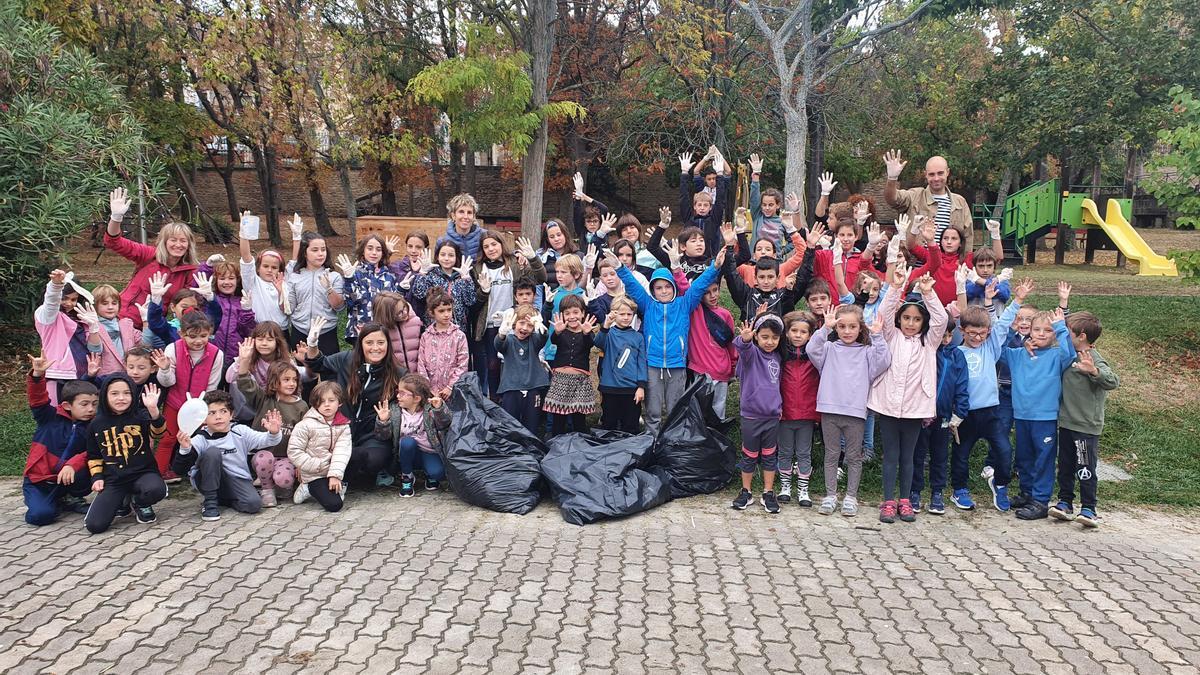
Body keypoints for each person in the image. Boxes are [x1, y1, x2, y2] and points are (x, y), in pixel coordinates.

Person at [609, 246, 723, 434]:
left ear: (673, 287)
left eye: (667, 286)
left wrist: (715, 267)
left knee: (674, 409)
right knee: (653, 411)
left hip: (676, 365)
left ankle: (673, 442)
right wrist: (620, 268)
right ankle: (651, 442)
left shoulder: (684, 304)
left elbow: (699, 286)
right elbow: (633, 286)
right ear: (653, 290)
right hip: (652, 365)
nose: (663, 291)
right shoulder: (648, 305)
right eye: (658, 287)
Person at [866, 263, 948, 524]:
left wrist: (928, 293)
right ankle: (888, 501)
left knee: (909, 457)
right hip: (888, 406)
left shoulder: (929, 342)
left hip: (915, 408)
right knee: (890, 456)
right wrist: (897, 286)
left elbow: (942, 319)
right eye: (906, 318)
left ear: (923, 322)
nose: (911, 323)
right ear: (899, 319)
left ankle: (905, 500)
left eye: (916, 319)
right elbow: (884, 310)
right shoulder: (891, 336)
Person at [950, 277, 1030, 511]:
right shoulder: (956, 352)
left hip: (991, 412)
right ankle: (959, 490)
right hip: (965, 415)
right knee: (961, 454)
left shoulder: (991, 347)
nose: (977, 338)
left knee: (1004, 450)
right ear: (962, 331)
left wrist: (1018, 300)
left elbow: (1003, 324)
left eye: (982, 333)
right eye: (972, 333)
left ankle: (1000, 483)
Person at [806, 304, 891, 517]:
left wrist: (878, 336)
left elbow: (884, 361)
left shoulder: (867, 352)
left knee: (854, 456)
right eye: (842, 326)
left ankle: (851, 497)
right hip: (829, 410)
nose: (847, 331)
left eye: (852, 326)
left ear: (860, 327)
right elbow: (811, 349)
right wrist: (824, 329)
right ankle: (830, 495)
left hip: (855, 412)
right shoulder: (828, 348)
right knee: (832, 455)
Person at [302, 318, 402, 486]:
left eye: (380, 342)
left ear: (388, 345)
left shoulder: (397, 371)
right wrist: (312, 344)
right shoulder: (346, 359)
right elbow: (318, 364)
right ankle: (344, 472)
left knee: (373, 460)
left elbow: (413, 392)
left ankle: (347, 471)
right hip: (343, 430)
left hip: (374, 435)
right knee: (347, 455)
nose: (375, 348)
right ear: (361, 344)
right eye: (369, 342)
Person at [1003, 306, 1077, 520]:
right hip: (1022, 415)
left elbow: (1069, 352)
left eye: (1047, 330)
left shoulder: (1057, 356)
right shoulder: (1018, 354)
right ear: (1029, 331)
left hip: (1045, 418)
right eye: (1037, 329)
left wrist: (1061, 327)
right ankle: (1027, 493)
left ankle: (1041, 501)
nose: (1042, 334)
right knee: (1024, 457)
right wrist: (1011, 331)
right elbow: (996, 350)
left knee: (1043, 459)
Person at [1051, 311, 1119, 527]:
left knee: (1085, 468)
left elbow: (1113, 381)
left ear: (1081, 336)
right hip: (1066, 423)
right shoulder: (1069, 354)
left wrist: (1094, 371)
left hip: (1085, 427)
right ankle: (1065, 503)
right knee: (1065, 466)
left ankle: (1089, 508)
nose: (1064, 335)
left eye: (1068, 332)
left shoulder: (1093, 357)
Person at [177, 391, 283, 521]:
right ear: (204, 418)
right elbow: (180, 470)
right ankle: (210, 502)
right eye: (212, 413)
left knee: (253, 504)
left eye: (223, 411)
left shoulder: (240, 431)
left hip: (237, 480)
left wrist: (273, 433)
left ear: (231, 414)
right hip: (207, 481)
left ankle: (224, 500)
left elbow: (266, 440)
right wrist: (184, 449)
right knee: (212, 452)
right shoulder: (200, 438)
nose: (218, 417)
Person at [104, 187, 198, 327]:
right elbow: (114, 242)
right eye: (173, 240)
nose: (178, 245)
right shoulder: (149, 255)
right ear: (164, 242)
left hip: (150, 327)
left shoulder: (190, 271)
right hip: (120, 319)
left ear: (189, 245)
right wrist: (116, 218)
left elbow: (190, 303)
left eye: (183, 241)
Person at [22, 354, 98, 526]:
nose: (91, 409)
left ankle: (71, 496)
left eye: (94, 404)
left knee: (95, 462)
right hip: (40, 481)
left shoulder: (93, 426)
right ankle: (55, 502)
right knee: (41, 516)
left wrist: (72, 464)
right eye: (84, 404)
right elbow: (37, 398)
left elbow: (92, 452)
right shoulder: (49, 417)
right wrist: (37, 375)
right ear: (67, 406)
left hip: (68, 478)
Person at [84, 378, 167, 532]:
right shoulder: (95, 424)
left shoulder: (141, 416)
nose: (121, 398)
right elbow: (93, 455)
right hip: (114, 478)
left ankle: (139, 501)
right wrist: (97, 477)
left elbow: (159, 433)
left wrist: (154, 410)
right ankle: (122, 499)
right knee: (95, 526)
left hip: (143, 473)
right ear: (105, 396)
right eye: (114, 393)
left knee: (157, 489)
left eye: (126, 393)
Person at [473, 233, 546, 397]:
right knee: (492, 365)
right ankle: (495, 400)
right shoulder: (478, 268)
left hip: (515, 323)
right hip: (492, 324)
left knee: (515, 363)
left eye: (494, 244)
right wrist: (483, 292)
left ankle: (516, 400)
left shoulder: (515, 263)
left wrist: (533, 258)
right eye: (486, 246)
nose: (491, 249)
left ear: (501, 244)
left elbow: (540, 278)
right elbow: (474, 304)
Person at [156, 311, 223, 483]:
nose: (198, 341)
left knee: (198, 439)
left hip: (200, 405)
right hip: (175, 401)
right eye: (192, 336)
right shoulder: (173, 349)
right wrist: (164, 369)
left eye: (203, 336)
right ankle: (158, 474)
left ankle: (198, 473)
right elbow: (167, 382)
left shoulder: (216, 354)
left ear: (210, 333)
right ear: (181, 334)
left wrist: (203, 406)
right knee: (168, 438)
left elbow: (212, 385)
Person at [237, 346, 309, 508]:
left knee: (284, 481)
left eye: (294, 380)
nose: (291, 383)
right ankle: (266, 489)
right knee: (264, 459)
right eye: (286, 379)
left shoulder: (302, 406)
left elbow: (305, 436)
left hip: (287, 457)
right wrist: (244, 361)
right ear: (274, 382)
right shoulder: (264, 399)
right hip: (264, 455)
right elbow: (245, 384)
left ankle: (282, 487)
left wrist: (300, 463)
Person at [911, 317, 969, 515]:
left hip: (944, 415)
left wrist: (959, 413)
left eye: (949, 335)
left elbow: (962, 384)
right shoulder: (926, 352)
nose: (945, 339)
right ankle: (915, 492)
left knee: (940, 455)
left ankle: (937, 492)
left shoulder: (956, 355)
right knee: (917, 455)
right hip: (921, 413)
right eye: (942, 335)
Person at [730, 314, 785, 514]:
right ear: (756, 337)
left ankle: (768, 492)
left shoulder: (778, 357)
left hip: (772, 417)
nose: (770, 342)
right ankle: (746, 491)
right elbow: (742, 347)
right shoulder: (751, 355)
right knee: (749, 455)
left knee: (770, 456)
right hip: (751, 416)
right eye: (764, 337)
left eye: (774, 337)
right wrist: (745, 339)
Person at [375, 373, 451, 498]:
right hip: (406, 453)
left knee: (438, 473)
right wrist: (383, 421)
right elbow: (383, 437)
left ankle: (428, 473)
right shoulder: (395, 411)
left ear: (417, 398)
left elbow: (446, 423)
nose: (398, 396)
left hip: (428, 452)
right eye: (398, 392)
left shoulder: (429, 409)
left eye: (403, 393)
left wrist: (440, 409)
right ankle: (407, 477)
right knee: (407, 442)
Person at [882, 150, 973, 251]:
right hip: (916, 263)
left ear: (948, 172)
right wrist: (892, 178)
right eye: (931, 174)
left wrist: (964, 262)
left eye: (940, 173)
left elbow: (968, 237)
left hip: (948, 264)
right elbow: (892, 199)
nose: (936, 178)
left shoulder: (960, 202)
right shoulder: (914, 196)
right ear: (925, 175)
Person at [721, 224, 813, 322]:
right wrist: (730, 246)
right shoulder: (746, 295)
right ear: (755, 278)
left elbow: (803, 278)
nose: (766, 281)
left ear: (777, 278)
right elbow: (731, 273)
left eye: (770, 277)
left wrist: (810, 248)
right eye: (761, 277)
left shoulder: (785, 295)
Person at [289, 382, 353, 512]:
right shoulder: (305, 425)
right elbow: (294, 452)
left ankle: (341, 484)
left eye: (331, 400)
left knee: (359, 455)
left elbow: (342, 451)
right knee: (334, 505)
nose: (327, 404)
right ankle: (307, 487)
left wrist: (335, 475)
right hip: (314, 472)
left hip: (334, 470)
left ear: (339, 403)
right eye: (322, 401)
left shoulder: (344, 425)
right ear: (315, 403)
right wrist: (317, 465)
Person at [778, 312, 821, 506]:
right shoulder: (780, 355)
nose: (798, 335)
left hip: (806, 413)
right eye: (793, 330)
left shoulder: (814, 357)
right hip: (784, 413)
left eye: (803, 332)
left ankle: (803, 490)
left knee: (804, 453)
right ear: (786, 333)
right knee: (785, 452)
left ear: (811, 335)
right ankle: (785, 487)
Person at [34, 270, 93, 405]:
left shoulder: (81, 317)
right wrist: (55, 285)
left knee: (82, 418)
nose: (69, 303)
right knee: (56, 417)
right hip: (57, 375)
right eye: (64, 298)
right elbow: (51, 303)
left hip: (82, 374)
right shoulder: (47, 317)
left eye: (73, 299)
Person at [543, 296, 599, 435]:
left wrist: (586, 333)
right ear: (562, 315)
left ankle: (580, 445)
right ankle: (557, 445)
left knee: (578, 417)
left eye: (575, 312)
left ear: (582, 313)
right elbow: (554, 340)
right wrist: (557, 331)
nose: (572, 316)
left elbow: (590, 344)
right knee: (558, 417)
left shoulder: (587, 332)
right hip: (560, 379)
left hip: (580, 381)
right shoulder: (560, 331)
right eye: (567, 313)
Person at [287, 230, 345, 355]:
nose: (320, 254)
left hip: (326, 332)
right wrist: (281, 292)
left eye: (323, 250)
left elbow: (339, 307)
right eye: (315, 250)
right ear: (304, 253)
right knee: (301, 372)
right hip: (300, 330)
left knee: (328, 371)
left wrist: (329, 289)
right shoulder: (295, 277)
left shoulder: (334, 276)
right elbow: (289, 309)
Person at [494, 305, 550, 435]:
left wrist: (542, 329)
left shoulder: (534, 340)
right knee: (510, 424)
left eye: (530, 325)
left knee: (532, 424)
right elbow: (498, 345)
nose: (525, 328)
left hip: (533, 387)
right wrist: (501, 334)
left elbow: (542, 338)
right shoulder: (509, 340)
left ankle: (531, 450)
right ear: (514, 324)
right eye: (521, 323)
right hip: (511, 388)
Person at [594, 296, 646, 434]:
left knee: (630, 425)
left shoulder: (638, 337)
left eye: (629, 314)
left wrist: (641, 387)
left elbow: (641, 363)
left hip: (631, 389)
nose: (626, 317)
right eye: (622, 314)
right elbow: (598, 343)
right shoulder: (609, 334)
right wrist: (605, 325)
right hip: (610, 388)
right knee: (609, 424)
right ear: (614, 313)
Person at [336, 234, 399, 343]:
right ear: (363, 251)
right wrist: (349, 279)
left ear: (383, 253)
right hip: (359, 331)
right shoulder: (355, 273)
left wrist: (402, 290)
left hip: (383, 332)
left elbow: (394, 305)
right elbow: (352, 302)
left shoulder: (389, 276)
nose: (374, 252)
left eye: (378, 249)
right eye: (370, 248)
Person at [686, 284, 737, 420]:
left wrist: (732, 365)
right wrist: (677, 268)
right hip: (702, 372)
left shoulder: (725, 315)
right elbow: (686, 288)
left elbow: (730, 343)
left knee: (718, 407)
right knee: (699, 408)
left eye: (715, 290)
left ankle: (716, 433)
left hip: (722, 370)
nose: (713, 295)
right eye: (707, 292)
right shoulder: (695, 311)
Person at [237, 211, 292, 328]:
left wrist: (281, 292)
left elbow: (287, 310)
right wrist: (243, 235)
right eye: (265, 266)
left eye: (274, 267)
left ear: (280, 270)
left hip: (281, 331)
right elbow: (247, 259)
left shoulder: (284, 284)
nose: (269, 270)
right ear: (258, 267)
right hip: (259, 331)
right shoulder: (253, 282)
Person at [200, 261, 257, 369]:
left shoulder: (242, 301)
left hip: (235, 357)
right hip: (212, 355)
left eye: (231, 278)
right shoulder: (210, 299)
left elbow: (247, 331)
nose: (227, 282)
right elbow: (196, 285)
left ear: (237, 280)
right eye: (222, 279)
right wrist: (206, 267)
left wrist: (246, 311)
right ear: (216, 281)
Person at [410, 240, 477, 330]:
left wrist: (466, 280)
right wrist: (423, 273)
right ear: (437, 256)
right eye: (443, 254)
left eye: (451, 255)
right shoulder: (431, 275)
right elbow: (419, 294)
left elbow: (470, 301)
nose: (446, 258)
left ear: (457, 257)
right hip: (434, 327)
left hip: (458, 328)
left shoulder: (461, 277)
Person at [417, 289, 470, 401]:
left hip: (452, 392)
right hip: (430, 393)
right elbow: (421, 364)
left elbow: (463, 365)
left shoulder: (459, 336)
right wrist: (428, 388)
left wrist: (450, 387)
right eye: (441, 311)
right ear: (432, 313)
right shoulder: (426, 336)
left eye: (449, 310)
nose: (446, 314)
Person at [678, 150, 729, 255]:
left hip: (709, 259)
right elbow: (684, 198)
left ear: (710, 207)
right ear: (695, 207)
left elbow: (720, 200)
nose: (702, 208)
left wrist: (720, 174)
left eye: (705, 205)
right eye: (699, 205)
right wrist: (684, 173)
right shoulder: (689, 219)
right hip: (690, 259)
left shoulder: (714, 219)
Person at [372, 292, 422, 374]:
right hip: (394, 376)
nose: (405, 312)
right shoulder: (380, 331)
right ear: (387, 316)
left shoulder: (416, 322)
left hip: (417, 376)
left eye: (405, 307)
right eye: (399, 312)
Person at [440, 193, 483, 259]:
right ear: (453, 216)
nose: (465, 216)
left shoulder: (484, 237)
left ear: (474, 216)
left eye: (469, 212)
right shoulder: (442, 241)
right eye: (461, 212)